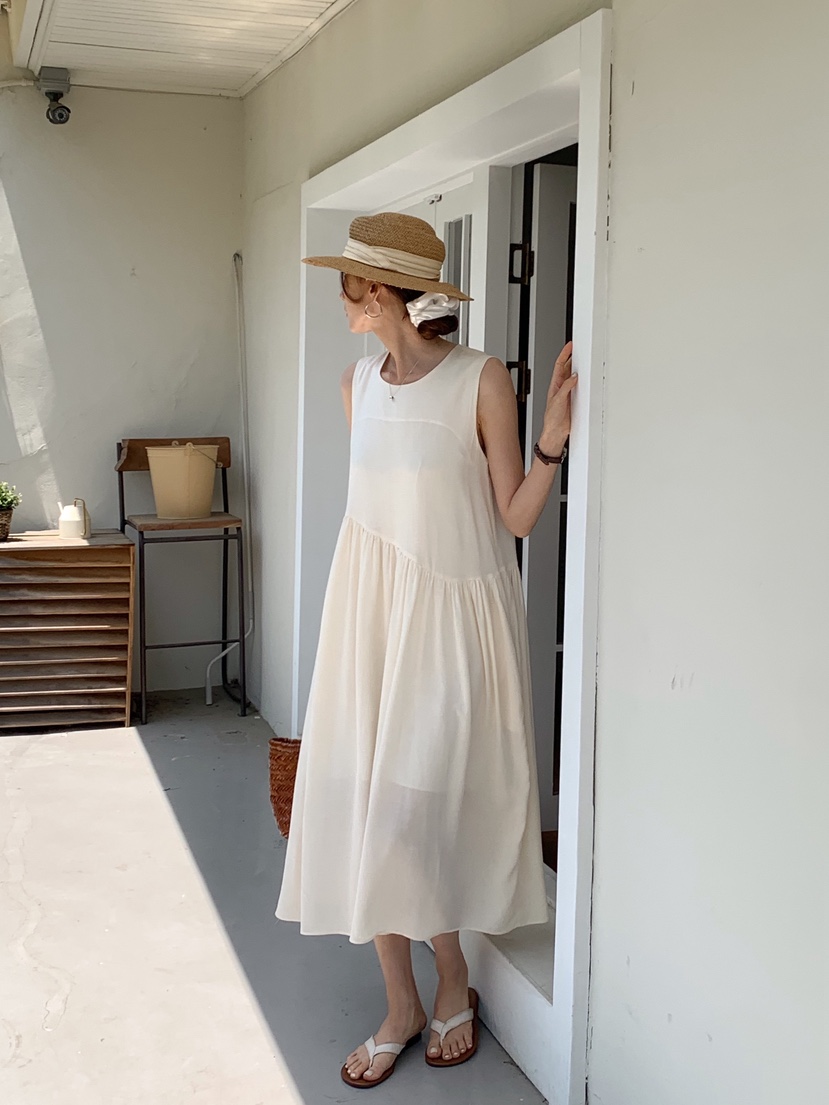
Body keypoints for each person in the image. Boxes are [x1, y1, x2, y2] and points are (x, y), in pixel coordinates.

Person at [276, 211, 576, 1088]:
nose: (340, 299)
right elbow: (378, 514)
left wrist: (551, 439)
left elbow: (514, 517)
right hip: (368, 622)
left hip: (449, 625)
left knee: (413, 811)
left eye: (346, 285)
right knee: (368, 804)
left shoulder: (480, 378)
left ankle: (450, 977)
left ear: (377, 293)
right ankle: (403, 1000)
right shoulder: (355, 385)